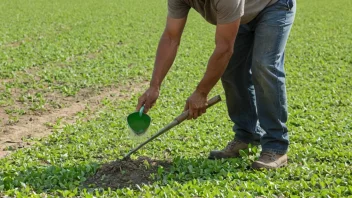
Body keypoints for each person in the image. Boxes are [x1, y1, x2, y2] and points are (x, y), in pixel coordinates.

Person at [136, 0, 296, 169]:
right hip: (241, 16)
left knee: (264, 66)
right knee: (231, 70)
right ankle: (247, 136)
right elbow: (170, 37)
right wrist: (154, 86)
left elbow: (224, 48)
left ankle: (275, 147)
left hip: (273, 6)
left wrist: (201, 92)